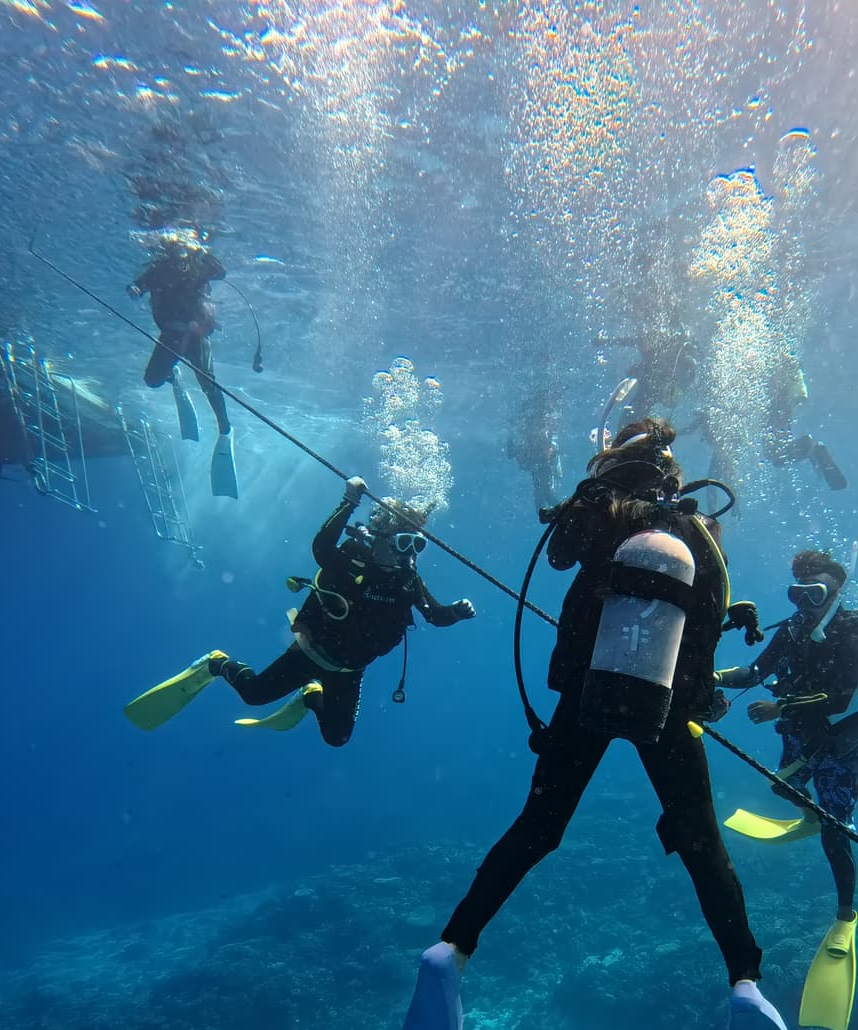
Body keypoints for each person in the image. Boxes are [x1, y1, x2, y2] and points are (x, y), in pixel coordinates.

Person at [395, 418, 813, 1030]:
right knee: (702, 842)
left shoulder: (603, 517)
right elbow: (705, 628)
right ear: (675, 481)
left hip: (584, 701)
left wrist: (591, 492)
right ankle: (745, 980)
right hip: (665, 713)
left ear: (618, 466)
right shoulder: (697, 535)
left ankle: (452, 948)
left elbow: (557, 557)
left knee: (537, 830)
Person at [121, 478, 475, 746]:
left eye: (417, 546)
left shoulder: (408, 581)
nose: (408, 555)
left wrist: (456, 612)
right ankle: (216, 664)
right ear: (382, 538)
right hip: (309, 653)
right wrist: (348, 502)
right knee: (254, 695)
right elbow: (321, 548)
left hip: (350, 670)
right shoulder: (352, 558)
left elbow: (434, 615)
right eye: (402, 544)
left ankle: (311, 695)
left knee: (337, 738)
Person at [713, 548, 858, 1030]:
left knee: (835, 832)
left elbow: (839, 697)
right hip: (802, 726)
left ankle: (845, 916)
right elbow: (755, 672)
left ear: (835, 592)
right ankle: (813, 814)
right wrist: (710, 677)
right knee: (785, 788)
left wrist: (779, 707)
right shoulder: (792, 630)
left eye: (812, 593)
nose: (802, 603)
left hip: (843, 737)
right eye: (796, 593)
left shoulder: (852, 633)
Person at [127, 231, 238, 497]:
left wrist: (202, 253)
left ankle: (225, 427)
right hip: (171, 336)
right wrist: (135, 290)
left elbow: (220, 272)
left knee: (207, 383)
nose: (177, 256)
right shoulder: (157, 269)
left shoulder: (198, 266)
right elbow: (138, 285)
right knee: (152, 381)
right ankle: (172, 377)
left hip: (196, 334)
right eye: (172, 250)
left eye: (181, 250)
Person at [763, 356, 847, 490]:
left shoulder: (769, 357)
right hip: (782, 398)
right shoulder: (782, 356)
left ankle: (812, 449)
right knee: (775, 455)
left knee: (775, 455)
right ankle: (812, 449)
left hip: (776, 400)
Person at [506, 381, 564, 517]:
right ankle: (558, 512)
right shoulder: (533, 436)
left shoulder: (540, 437)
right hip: (539, 462)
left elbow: (514, 451)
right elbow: (513, 451)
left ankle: (559, 512)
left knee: (544, 491)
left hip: (541, 462)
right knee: (542, 491)